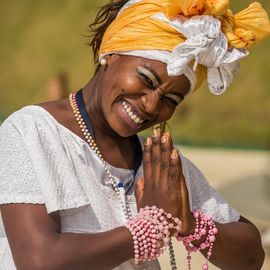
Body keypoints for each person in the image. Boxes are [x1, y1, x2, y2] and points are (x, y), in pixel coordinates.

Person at [0, 0, 269, 269]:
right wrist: (150, 227)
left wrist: (190, 223)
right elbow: (38, 260)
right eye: (146, 78)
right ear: (111, 53)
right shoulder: (31, 131)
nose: (152, 106)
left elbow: (251, 257)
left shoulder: (156, 164)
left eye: (171, 100)